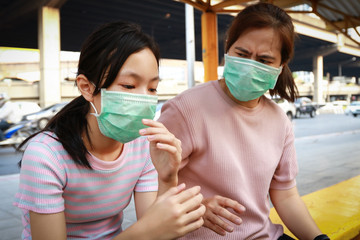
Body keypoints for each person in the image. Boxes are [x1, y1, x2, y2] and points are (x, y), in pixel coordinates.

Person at [14, 21, 205, 240]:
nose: (144, 98)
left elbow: (161, 231)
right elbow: (148, 231)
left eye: (152, 88)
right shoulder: (45, 155)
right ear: (87, 87)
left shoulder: (143, 145)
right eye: (129, 86)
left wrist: (167, 176)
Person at [158, 3, 329, 240]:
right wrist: (196, 207)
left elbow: (286, 195)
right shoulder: (186, 109)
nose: (250, 66)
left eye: (264, 60)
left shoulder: (280, 121)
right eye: (242, 54)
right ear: (228, 49)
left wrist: (320, 239)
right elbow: (155, 186)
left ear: (280, 67)